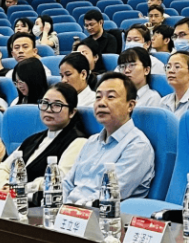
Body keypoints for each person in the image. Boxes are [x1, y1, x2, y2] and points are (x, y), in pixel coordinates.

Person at [61, 73, 155, 204]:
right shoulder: (91, 141)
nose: (101, 103)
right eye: (98, 97)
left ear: (130, 105)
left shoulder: (137, 146)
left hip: (101, 213)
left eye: (110, 97)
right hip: (69, 210)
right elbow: (67, 184)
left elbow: (109, 195)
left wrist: (73, 209)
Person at [0, 84, 90, 194]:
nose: (48, 109)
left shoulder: (78, 142)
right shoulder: (33, 139)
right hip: (13, 197)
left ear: (72, 112)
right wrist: (5, 185)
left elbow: (59, 180)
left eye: (57, 105)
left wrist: (20, 188)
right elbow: (3, 169)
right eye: (45, 103)